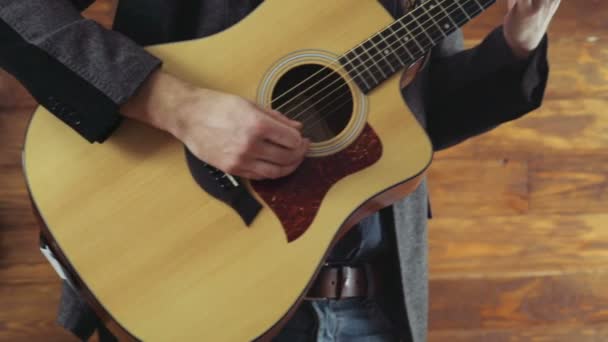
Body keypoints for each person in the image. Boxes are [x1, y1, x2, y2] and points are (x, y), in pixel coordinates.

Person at [0, 0, 560, 341]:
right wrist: (176, 104)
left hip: (372, 306)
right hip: (195, 287)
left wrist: (519, 41)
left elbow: (412, 122)